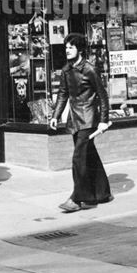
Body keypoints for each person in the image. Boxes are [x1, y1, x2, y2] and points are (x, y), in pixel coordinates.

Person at [49, 32, 113, 212]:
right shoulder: (66, 70)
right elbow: (63, 94)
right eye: (66, 47)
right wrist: (55, 116)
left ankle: (79, 198)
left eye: (71, 47)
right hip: (74, 120)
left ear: (80, 49)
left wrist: (103, 120)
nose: (67, 50)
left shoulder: (90, 69)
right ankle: (102, 193)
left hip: (89, 119)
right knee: (89, 155)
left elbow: (102, 95)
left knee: (79, 159)